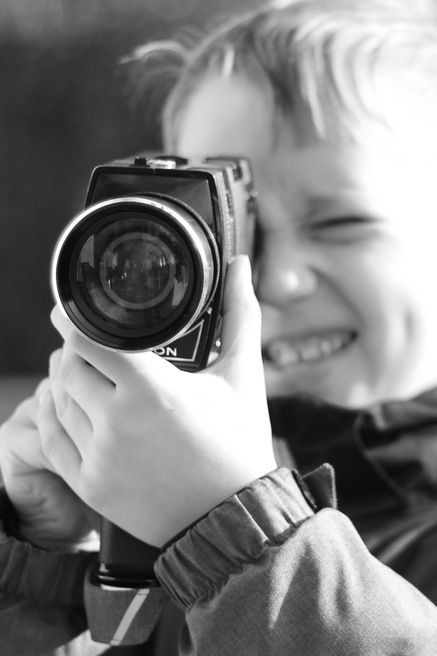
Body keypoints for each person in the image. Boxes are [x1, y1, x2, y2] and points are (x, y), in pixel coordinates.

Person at [2, 0, 437, 653]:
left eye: (339, 224)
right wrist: (47, 563)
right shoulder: (164, 518)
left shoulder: (208, 521)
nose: (275, 281)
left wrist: (239, 535)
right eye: (235, 233)